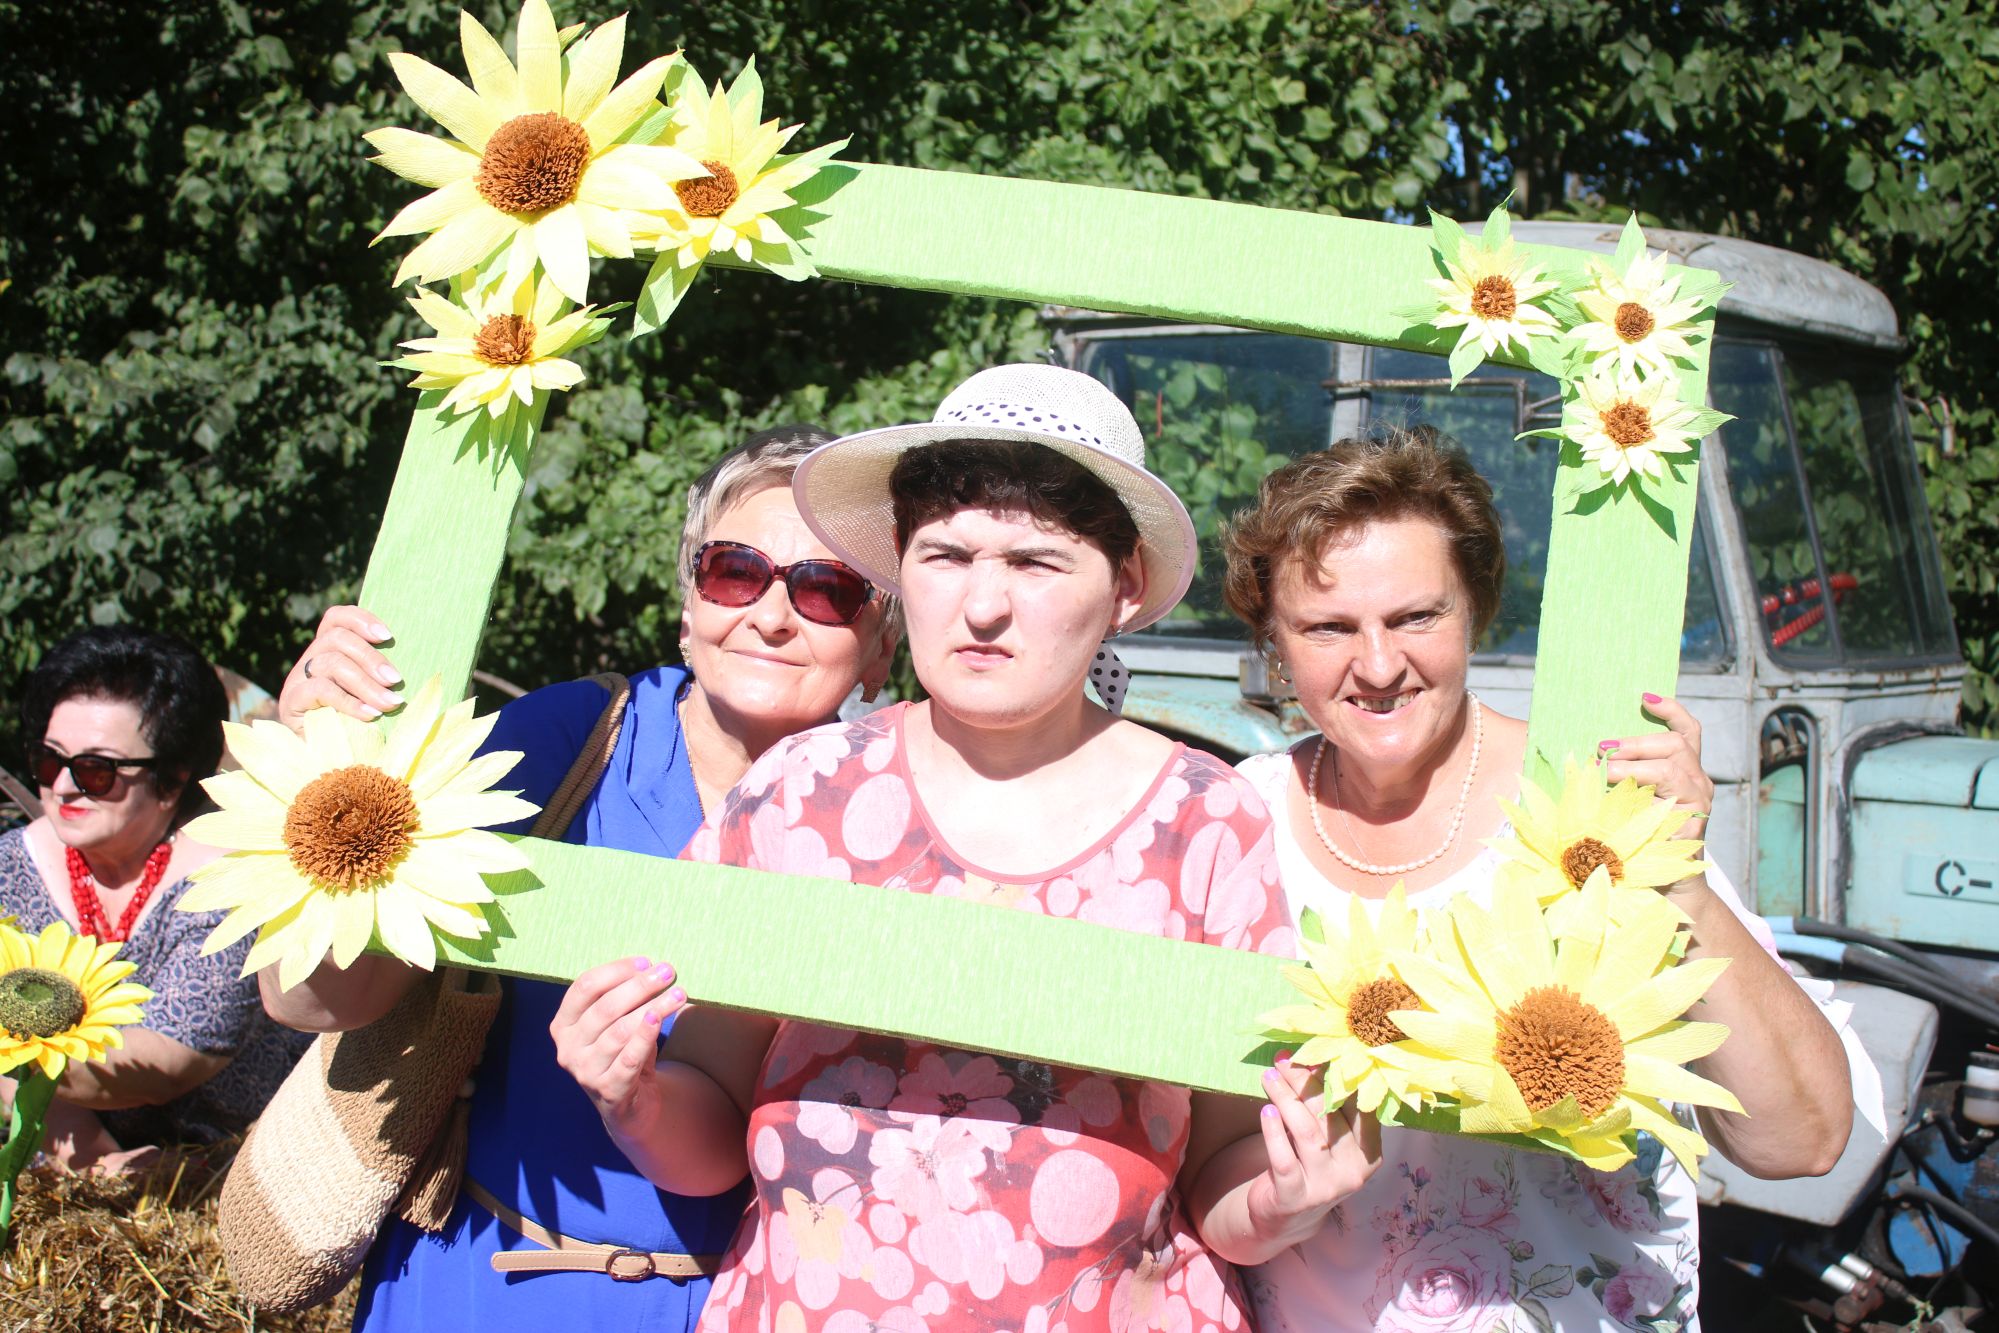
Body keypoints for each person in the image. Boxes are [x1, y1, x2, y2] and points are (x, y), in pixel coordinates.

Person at [554, 365, 1363, 1333]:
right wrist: (634, 1097)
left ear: (1124, 587)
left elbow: (1223, 1176)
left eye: (1035, 563)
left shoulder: (1205, 822)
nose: (982, 606)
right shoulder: (798, 795)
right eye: (945, 554)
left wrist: (1283, 1199)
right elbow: (713, 1129)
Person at [1218, 430, 1864, 1332]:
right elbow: (1207, 1159)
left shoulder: (1590, 805)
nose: (1377, 665)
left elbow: (1803, 1139)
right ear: (1274, 641)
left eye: (1416, 617)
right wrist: (1279, 1201)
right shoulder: (1235, 822)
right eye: (1327, 627)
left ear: (1475, 610)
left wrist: (1674, 878)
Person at [264, 425, 901, 1331]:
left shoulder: (902, 819)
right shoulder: (564, 743)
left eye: (827, 589)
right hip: (482, 1286)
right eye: (735, 571)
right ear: (688, 605)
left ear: (880, 646)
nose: (770, 615)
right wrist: (323, 767)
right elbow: (313, 997)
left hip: (747, 1307)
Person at [2, 625, 307, 1170]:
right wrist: (93, 1160)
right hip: (81, 1153)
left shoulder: (228, 881)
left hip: (235, 1161)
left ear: (171, 781)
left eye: (95, 771)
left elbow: (164, 1063)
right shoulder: (11, 868)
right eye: (49, 761)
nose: (64, 787)